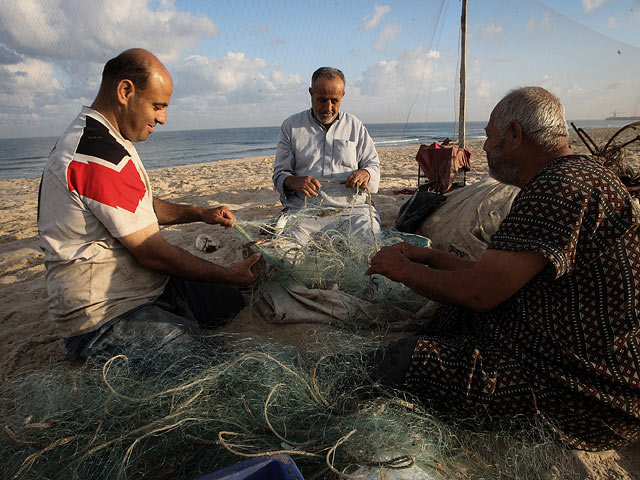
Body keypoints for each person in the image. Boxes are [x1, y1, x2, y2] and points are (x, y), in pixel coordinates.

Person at [366, 86, 640, 451]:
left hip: (586, 399)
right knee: (451, 318)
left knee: (405, 362)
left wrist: (401, 270)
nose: (482, 148)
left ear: (514, 135)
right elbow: (497, 273)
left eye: (488, 136)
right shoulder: (580, 175)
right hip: (601, 380)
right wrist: (431, 258)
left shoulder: (556, 190)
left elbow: (479, 293)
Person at [38, 48, 261, 361]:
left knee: (229, 303)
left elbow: (136, 207)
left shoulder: (104, 138)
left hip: (149, 288)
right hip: (108, 316)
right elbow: (152, 253)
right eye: (158, 106)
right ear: (125, 91)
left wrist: (199, 214)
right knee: (212, 367)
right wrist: (229, 273)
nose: (163, 118)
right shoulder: (97, 156)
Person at [272, 67, 381, 245]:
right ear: (311, 93)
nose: (328, 108)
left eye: (334, 101)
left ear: (343, 95)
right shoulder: (291, 126)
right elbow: (279, 175)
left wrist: (366, 173)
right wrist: (293, 181)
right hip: (305, 212)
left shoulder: (355, 126)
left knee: (370, 245)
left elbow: (373, 165)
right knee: (285, 250)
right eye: (321, 100)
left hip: (353, 211)